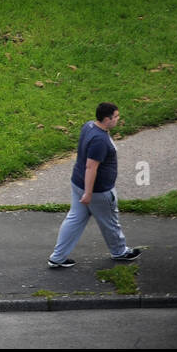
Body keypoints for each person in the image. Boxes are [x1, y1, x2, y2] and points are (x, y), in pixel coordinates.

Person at [47, 103, 142, 268]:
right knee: (110, 223)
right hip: (97, 192)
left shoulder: (89, 126)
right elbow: (91, 167)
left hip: (78, 183)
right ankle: (119, 252)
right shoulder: (100, 140)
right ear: (107, 119)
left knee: (74, 219)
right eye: (116, 117)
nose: (118, 119)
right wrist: (89, 193)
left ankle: (57, 257)